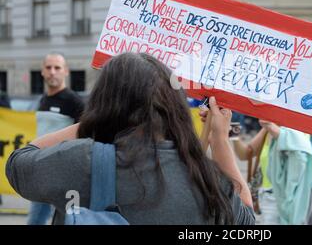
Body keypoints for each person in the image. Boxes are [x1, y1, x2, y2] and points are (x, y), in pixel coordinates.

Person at [7, 52, 255, 225]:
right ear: (174, 105)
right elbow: (247, 223)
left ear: (103, 101)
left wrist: (94, 122)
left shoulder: (83, 161)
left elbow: (18, 164)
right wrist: (220, 141)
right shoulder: (205, 177)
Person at [25, 52, 85, 225]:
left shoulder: (75, 102)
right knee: (35, 221)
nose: (52, 72)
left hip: (66, 175)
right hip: (40, 171)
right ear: (42, 71)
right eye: (48, 67)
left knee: (67, 221)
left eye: (57, 67)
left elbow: (84, 138)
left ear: (65, 71)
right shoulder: (43, 99)